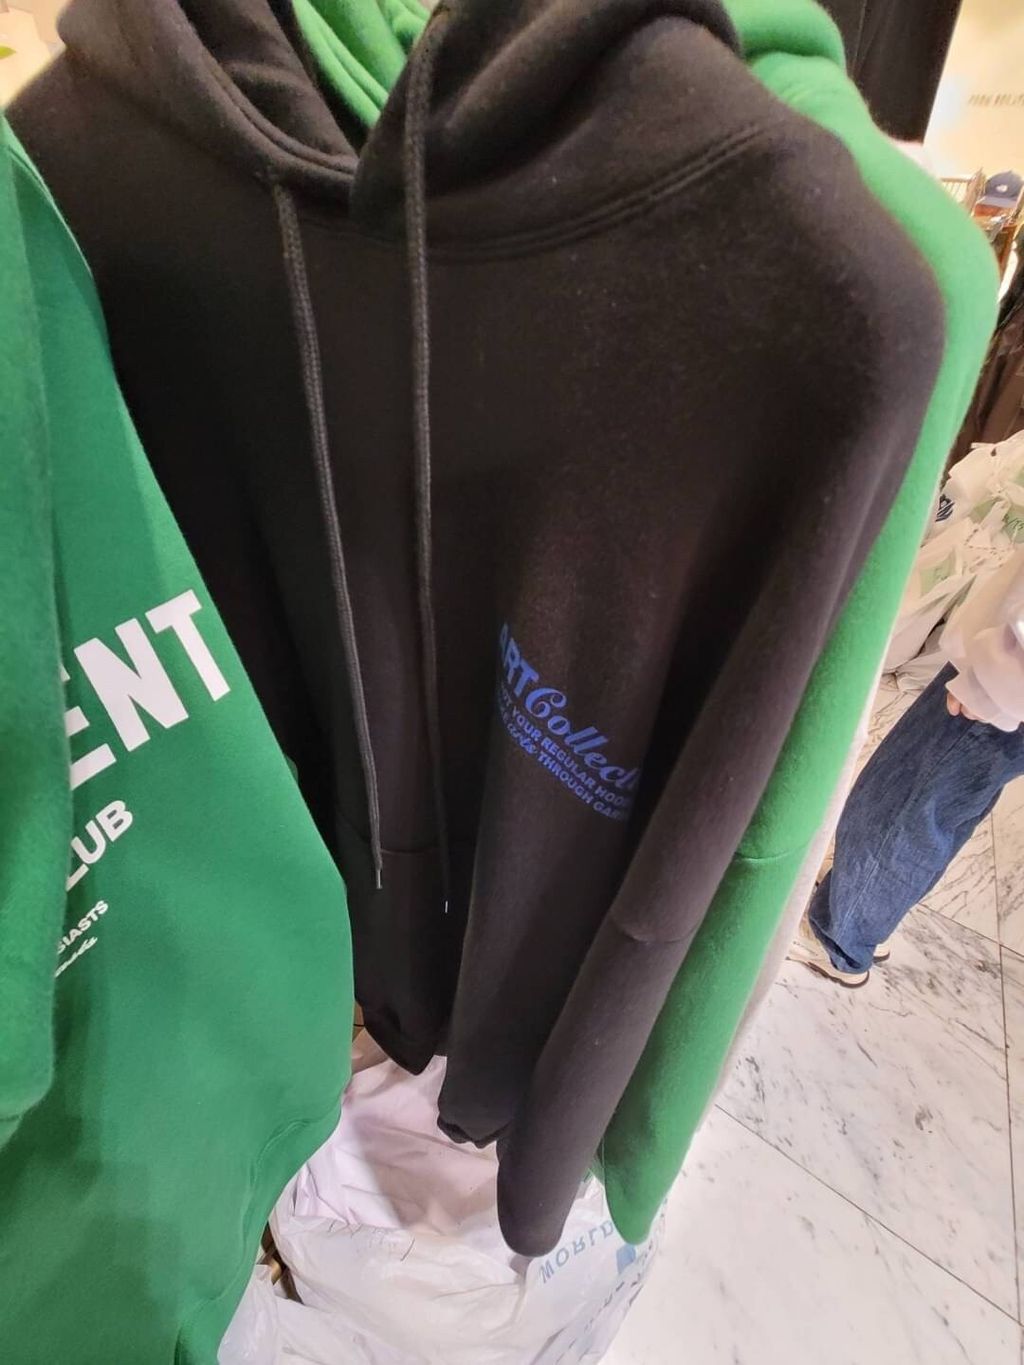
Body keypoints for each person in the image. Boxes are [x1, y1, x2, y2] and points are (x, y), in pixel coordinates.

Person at [790, 548, 1024, 986]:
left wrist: (998, 680)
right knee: (935, 808)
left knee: (903, 807)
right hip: (1006, 671)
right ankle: (858, 914)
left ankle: (839, 939)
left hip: (1008, 677)